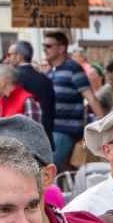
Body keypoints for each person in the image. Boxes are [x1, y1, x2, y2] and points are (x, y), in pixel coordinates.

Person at [43, 31, 97, 171]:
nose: (45, 49)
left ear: (61, 48)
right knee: (58, 172)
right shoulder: (49, 72)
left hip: (66, 130)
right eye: (44, 46)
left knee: (47, 170)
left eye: (48, 46)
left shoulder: (73, 68)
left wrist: (104, 123)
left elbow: (90, 97)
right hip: (52, 130)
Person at [7, 41, 59, 139]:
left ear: (18, 56)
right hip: (45, 136)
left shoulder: (12, 80)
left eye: (9, 54)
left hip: (21, 139)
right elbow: (51, 111)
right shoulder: (46, 79)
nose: (7, 58)